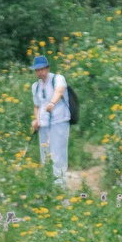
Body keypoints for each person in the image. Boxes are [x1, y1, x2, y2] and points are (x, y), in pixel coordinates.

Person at [29, 56, 71, 184]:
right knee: (45, 155)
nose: (39, 72)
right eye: (37, 70)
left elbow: (59, 90)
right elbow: (37, 106)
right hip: (44, 125)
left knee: (58, 155)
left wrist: (52, 103)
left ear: (47, 68)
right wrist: (36, 120)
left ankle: (60, 187)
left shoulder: (58, 79)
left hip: (59, 121)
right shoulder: (35, 86)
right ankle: (49, 185)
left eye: (42, 69)